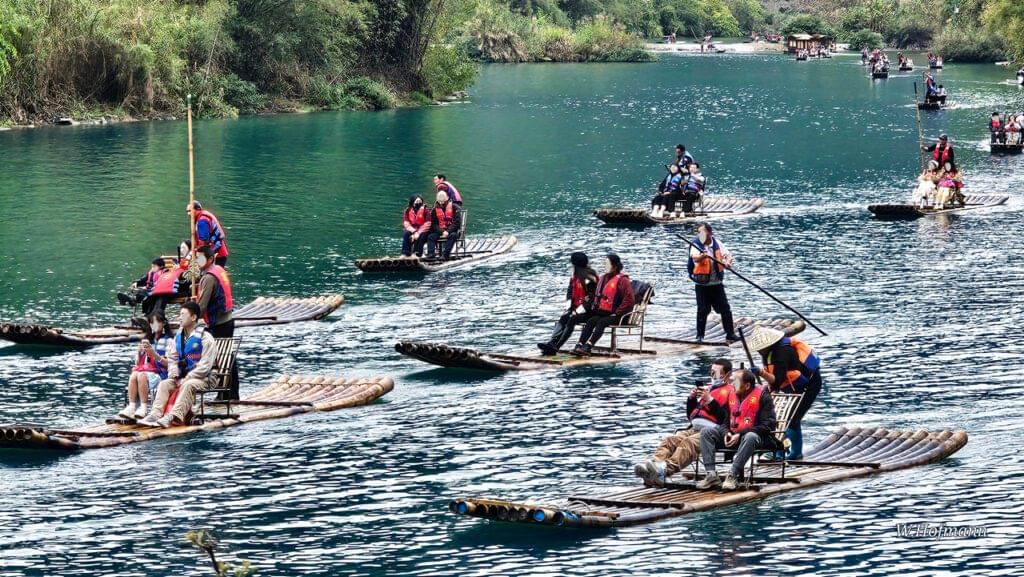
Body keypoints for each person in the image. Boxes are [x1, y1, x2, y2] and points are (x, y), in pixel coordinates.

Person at [634, 359, 735, 486]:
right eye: (711, 372)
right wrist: (692, 399)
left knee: (689, 443)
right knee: (670, 440)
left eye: (716, 373)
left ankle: (665, 469)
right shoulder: (709, 389)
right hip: (695, 427)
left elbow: (726, 418)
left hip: (713, 432)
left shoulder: (732, 392)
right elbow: (692, 415)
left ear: (727, 375)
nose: (712, 376)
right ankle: (652, 467)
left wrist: (710, 401)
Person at [747, 325, 821, 461]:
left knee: (792, 418)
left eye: (760, 348)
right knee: (776, 417)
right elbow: (774, 380)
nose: (758, 351)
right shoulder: (768, 353)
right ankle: (780, 451)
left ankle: (795, 453)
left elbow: (776, 381)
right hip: (791, 386)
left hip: (808, 385)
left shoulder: (781, 353)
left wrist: (761, 373)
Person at [139, 301, 218, 428]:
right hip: (182, 377)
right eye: (179, 314)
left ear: (193, 317)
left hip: (205, 378)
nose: (179, 317)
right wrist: (174, 375)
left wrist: (186, 378)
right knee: (165, 384)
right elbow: (172, 359)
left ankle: (173, 416)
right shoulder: (178, 337)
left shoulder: (206, 338)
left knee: (188, 384)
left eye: (183, 314)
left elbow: (205, 367)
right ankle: (155, 414)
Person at [695, 369, 777, 491]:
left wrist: (740, 434)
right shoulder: (732, 395)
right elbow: (724, 421)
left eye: (736, 382)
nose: (732, 384)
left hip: (756, 439)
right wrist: (725, 433)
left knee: (750, 436)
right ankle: (711, 475)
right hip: (733, 436)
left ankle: (732, 475)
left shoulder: (763, 396)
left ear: (747, 385)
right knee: (706, 432)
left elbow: (768, 425)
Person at [195, 245, 237, 399]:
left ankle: (226, 394)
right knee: (227, 356)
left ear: (210, 258)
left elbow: (202, 306)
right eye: (197, 258)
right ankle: (229, 393)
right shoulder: (218, 269)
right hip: (228, 319)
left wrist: (191, 315)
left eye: (200, 258)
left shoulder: (208, 277)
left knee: (222, 358)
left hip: (219, 323)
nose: (198, 261)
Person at [571, 254, 634, 356]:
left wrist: (618, 312)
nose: (605, 266)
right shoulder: (603, 278)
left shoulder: (623, 280)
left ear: (614, 266)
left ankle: (588, 346)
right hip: (604, 312)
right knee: (591, 321)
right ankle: (579, 344)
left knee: (601, 322)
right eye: (604, 264)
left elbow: (629, 299)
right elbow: (595, 294)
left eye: (608, 264)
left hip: (618, 316)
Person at [538, 252, 599, 355]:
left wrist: (577, 311)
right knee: (564, 317)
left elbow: (592, 298)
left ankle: (557, 346)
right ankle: (552, 342)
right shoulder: (575, 275)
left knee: (571, 318)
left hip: (589, 311)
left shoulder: (590, 276)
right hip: (576, 308)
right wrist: (568, 307)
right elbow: (570, 292)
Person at [688, 223, 738, 343]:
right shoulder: (696, 244)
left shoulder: (717, 243)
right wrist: (702, 256)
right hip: (702, 285)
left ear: (710, 233)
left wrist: (728, 262)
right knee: (703, 310)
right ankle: (700, 336)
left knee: (725, 309)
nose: (701, 235)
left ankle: (730, 334)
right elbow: (695, 258)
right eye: (699, 233)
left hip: (716, 284)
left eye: (703, 233)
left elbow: (728, 255)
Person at [116, 311, 172, 419]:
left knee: (141, 375)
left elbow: (170, 364)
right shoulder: (147, 340)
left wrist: (154, 354)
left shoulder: (169, 341)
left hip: (161, 374)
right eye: (152, 323)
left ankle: (144, 407)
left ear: (164, 323)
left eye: (157, 322)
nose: (154, 325)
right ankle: (132, 406)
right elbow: (138, 364)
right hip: (147, 371)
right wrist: (139, 353)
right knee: (134, 375)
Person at [187, 201, 229, 266]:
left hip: (215, 255)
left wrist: (195, 256)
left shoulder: (202, 221)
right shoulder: (202, 217)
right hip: (216, 253)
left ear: (198, 209)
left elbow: (203, 242)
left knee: (196, 269)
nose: (188, 213)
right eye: (187, 211)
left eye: (190, 211)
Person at [426, 190, 462, 260]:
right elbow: (434, 224)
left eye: (443, 201)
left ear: (447, 198)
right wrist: (442, 231)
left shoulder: (455, 207)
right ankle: (431, 255)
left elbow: (457, 223)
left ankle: (445, 255)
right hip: (440, 231)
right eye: (440, 201)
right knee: (430, 237)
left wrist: (448, 231)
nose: (441, 203)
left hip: (452, 231)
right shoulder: (434, 210)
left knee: (453, 235)